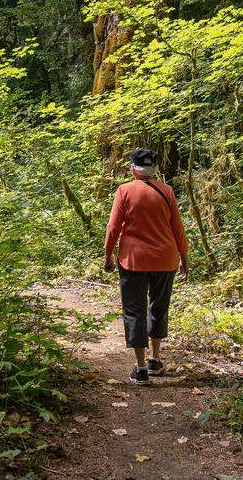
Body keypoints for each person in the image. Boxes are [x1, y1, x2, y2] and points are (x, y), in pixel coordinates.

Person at [103, 148, 190, 385]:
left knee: (135, 311)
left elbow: (113, 228)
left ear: (133, 168)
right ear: (154, 170)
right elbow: (177, 228)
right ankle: (155, 359)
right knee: (159, 307)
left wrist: (108, 254)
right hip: (165, 258)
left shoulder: (125, 190)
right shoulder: (167, 191)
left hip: (133, 260)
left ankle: (140, 368)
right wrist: (184, 256)